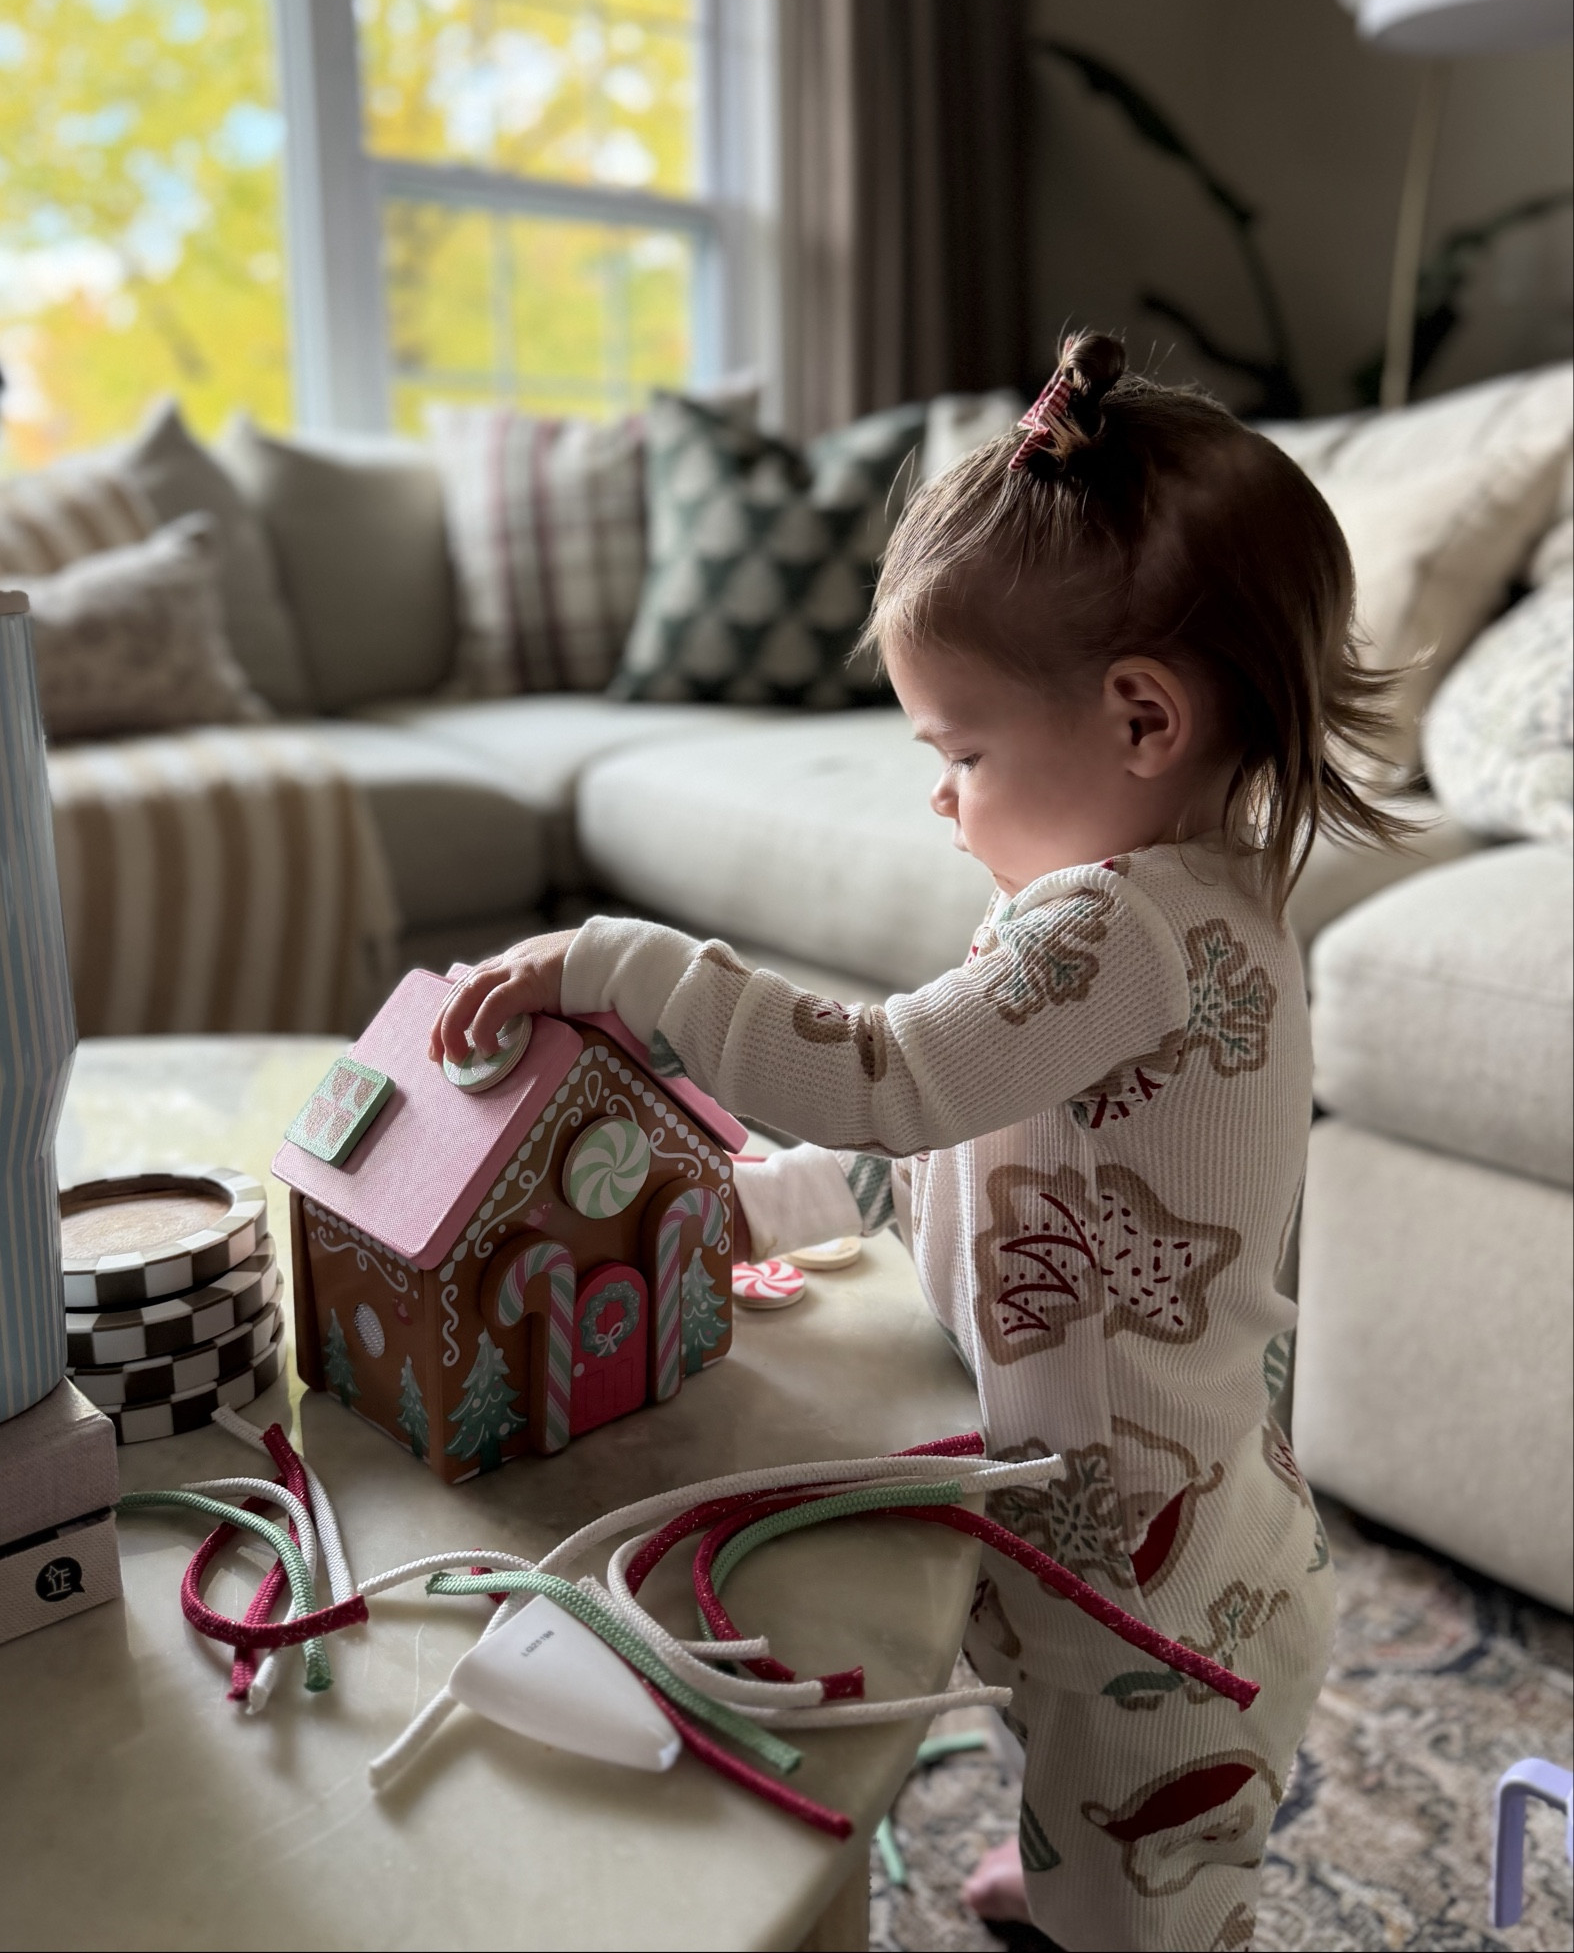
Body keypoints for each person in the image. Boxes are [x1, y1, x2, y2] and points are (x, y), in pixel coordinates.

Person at [429, 332, 1406, 1953]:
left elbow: (883, 1078)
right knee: (1063, 1752)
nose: (937, 800)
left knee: (1150, 1884)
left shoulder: (1114, 935)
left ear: (1142, 718)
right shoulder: (1139, 906)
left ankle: (1127, 1899)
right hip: (1097, 1527)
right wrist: (752, 1206)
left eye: (960, 750)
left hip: (1159, 1603)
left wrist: (628, 962)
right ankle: (1082, 1859)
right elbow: (951, 1150)